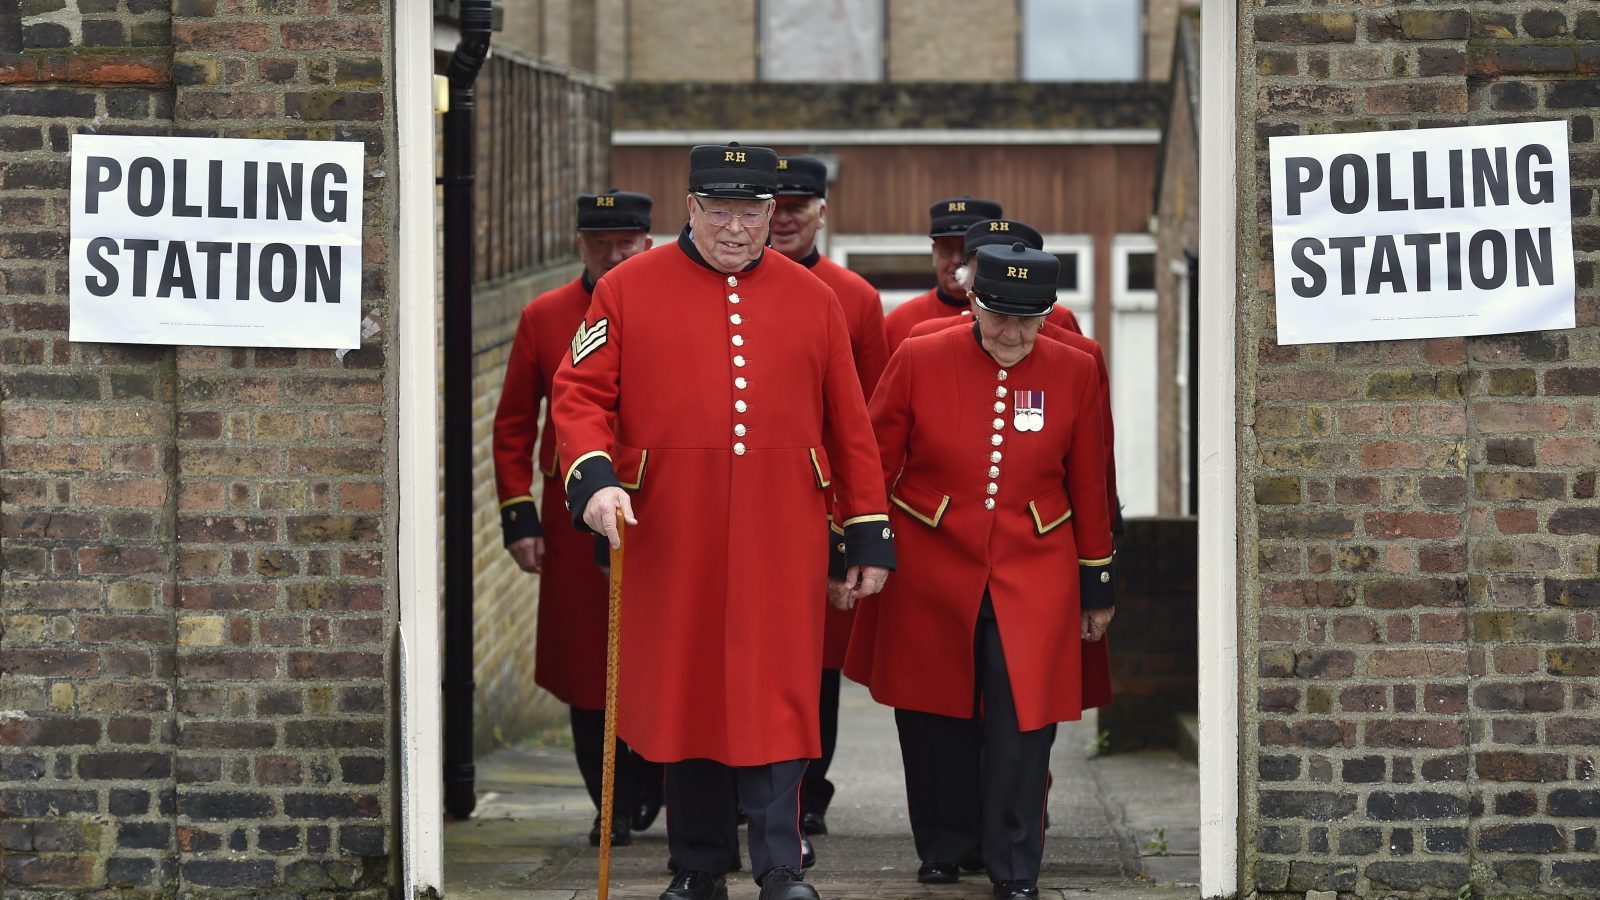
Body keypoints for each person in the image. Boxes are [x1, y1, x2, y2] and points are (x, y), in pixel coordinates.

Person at [551, 142, 895, 900]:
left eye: (752, 211)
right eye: (720, 211)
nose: (736, 228)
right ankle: (699, 865)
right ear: (690, 208)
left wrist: (866, 528)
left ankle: (780, 865)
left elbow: (851, 426)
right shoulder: (626, 288)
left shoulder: (818, 301)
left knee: (779, 695)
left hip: (785, 530)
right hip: (672, 530)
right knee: (688, 694)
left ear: (775, 213)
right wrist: (595, 481)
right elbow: (578, 397)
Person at [844, 242, 1116, 900]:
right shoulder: (919, 356)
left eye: (1029, 318)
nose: (1013, 333)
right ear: (972, 301)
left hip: (1037, 568)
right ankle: (944, 846)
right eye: (999, 315)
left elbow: (1090, 482)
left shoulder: (1075, 369)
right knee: (934, 714)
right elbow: (872, 458)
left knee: (1024, 724)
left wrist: (1096, 581)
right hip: (932, 562)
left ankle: (1015, 866)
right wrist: (862, 543)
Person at [491, 189, 662, 848]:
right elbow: (513, 425)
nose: (614, 254)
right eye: (600, 243)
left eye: (626, 242)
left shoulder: (668, 306)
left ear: (647, 243)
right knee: (588, 669)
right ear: (580, 245)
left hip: (656, 509)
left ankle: (654, 783)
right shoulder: (544, 316)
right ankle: (609, 802)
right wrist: (518, 518)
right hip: (572, 517)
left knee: (655, 654)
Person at [771, 154, 889, 839]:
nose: (785, 218)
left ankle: (810, 787)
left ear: (822, 211)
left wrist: (854, 522)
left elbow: (865, 423)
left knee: (817, 661)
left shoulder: (855, 297)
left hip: (823, 504)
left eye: (798, 206)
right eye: (775, 205)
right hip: (757, 494)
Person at [882, 199, 1080, 354]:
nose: (956, 260)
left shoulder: (1059, 319)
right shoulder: (901, 322)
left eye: (966, 251)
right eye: (946, 248)